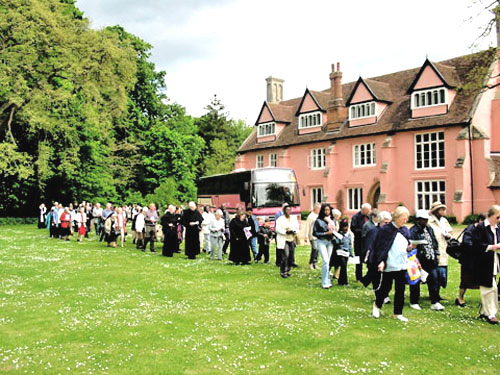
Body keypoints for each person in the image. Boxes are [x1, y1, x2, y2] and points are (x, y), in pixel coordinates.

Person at [370, 206, 414, 322]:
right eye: (404, 218)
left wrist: (411, 247)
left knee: (400, 289)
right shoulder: (385, 230)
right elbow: (380, 248)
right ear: (397, 218)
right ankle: (377, 305)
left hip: (402, 264)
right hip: (390, 264)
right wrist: (381, 261)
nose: (406, 221)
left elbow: (407, 247)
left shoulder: (405, 230)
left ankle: (397, 313)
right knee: (385, 288)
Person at [409, 209, 444, 311]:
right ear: (418, 220)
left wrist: (437, 253)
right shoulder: (413, 231)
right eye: (423, 220)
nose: (425, 222)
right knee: (416, 281)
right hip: (419, 259)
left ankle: (435, 302)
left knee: (434, 279)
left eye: (426, 220)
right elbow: (412, 245)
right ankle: (414, 301)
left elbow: (434, 242)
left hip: (430, 259)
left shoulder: (429, 229)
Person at [471, 205, 500, 325]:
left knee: (490, 286)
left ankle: (484, 311)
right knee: (490, 288)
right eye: (498, 216)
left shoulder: (497, 228)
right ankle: (491, 313)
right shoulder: (481, 227)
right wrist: (490, 247)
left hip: (494, 260)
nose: (499, 219)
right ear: (492, 215)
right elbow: (475, 244)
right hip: (483, 262)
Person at [456, 214, 486, 307]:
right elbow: (466, 242)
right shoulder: (471, 228)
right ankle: (460, 298)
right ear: (480, 220)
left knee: (483, 280)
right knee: (465, 280)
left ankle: (485, 300)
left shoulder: (485, 230)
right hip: (468, 259)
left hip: (480, 259)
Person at [362, 210, 392, 291]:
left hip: (385, 258)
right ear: (380, 222)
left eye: (389, 223)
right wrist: (369, 258)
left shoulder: (390, 232)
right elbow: (369, 245)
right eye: (385, 223)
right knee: (375, 276)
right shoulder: (373, 231)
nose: (387, 225)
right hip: (374, 258)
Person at [428, 201, 452, 297]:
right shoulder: (430, 222)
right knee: (434, 274)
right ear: (436, 211)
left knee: (443, 274)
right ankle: (433, 294)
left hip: (444, 249)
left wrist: (448, 235)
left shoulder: (444, 221)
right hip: (435, 249)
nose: (443, 211)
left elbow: (450, 232)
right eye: (441, 209)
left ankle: (437, 292)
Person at [313, 204, 335, 288]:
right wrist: (325, 233)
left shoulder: (332, 220)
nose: (327, 212)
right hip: (322, 241)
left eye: (328, 210)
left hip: (330, 242)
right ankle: (325, 282)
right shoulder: (318, 221)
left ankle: (328, 280)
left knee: (328, 262)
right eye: (325, 210)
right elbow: (315, 233)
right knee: (325, 261)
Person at [275, 204, 299, 278]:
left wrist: (294, 231)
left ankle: (288, 270)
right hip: (284, 239)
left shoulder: (293, 218)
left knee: (291, 256)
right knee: (285, 255)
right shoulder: (280, 219)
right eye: (287, 210)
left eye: (289, 210)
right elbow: (277, 229)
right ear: (284, 211)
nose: (288, 211)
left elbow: (297, 227)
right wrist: (285, 232)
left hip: (291, 238)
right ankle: (283, 271)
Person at [351, 203, 372, 282]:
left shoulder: (370, 217)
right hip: (359, 241)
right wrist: (363, 232)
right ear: (363, 210)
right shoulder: (355, 217)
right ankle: (358, 277)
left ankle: (368, 276)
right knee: (358, 259)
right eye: (368, 210)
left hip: (367, 241)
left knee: (368, 258)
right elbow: (353, 229)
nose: (369, 211)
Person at [334, 219, 353, 286]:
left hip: (346, 252)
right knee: (343, 266)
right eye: (344, 227)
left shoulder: (348, 235)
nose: (346, 228)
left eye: (347, 227)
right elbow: (336, 243)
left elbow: (350, 244)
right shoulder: (339, 234)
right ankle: (345, 281)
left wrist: (351, 253)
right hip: (340, 252)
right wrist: (339, 239)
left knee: (344, 267)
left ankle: (341, 281)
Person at [305, 203, 321, 269]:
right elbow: (307, 226)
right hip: (312, 235)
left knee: (317, 250)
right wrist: (306, 236)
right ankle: (311, 263)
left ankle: (315, 263)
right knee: (314, 249)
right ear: (316, 208)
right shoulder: (311, 216)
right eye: (319, 209)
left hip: (318, 235)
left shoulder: (319, 215)